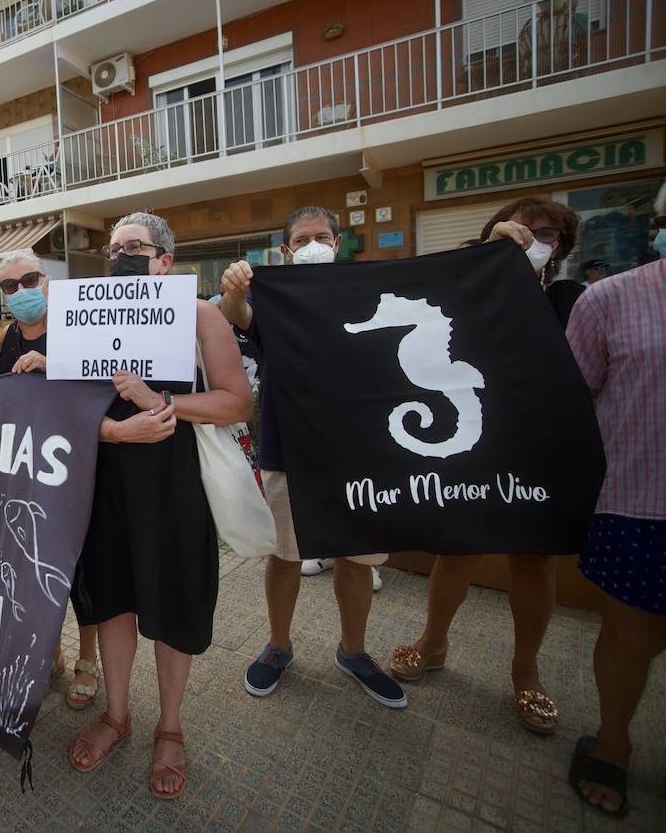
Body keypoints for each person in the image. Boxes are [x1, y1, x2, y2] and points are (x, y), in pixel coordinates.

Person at [69, 213, 253, 799]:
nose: (121, 256)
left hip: (176, 484)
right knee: (116, 595)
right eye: (113, 249)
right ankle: (118, 714)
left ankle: (169, 726)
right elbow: (72, 405)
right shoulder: (86, 316)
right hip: (107, 478)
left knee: (172, 599)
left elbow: (236, 402)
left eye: (135, 248)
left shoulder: (201, 315)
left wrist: (161, 401)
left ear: (165, 261)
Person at [389, 198, 583, 734]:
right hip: (476, 440)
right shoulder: (469, 285)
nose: (539, 241)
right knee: (458, 548)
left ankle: (526, 671)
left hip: (539, 445)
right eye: (527, 231)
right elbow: (435, 292)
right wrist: (490, 253)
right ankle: (433, 643)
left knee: (533, 560)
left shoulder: (572, 300)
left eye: (550, 234)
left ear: (563, 247)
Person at [219, 206, 407, 710]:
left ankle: (355, 652)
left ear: (339, 241)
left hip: (363, 449)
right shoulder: (272, 296)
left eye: (321, 236)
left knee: (357, 556)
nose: (312, 245)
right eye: (301, 240)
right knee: (284, 554)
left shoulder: (366, 287)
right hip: (290, 447)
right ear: (286, 251)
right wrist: (235, 288)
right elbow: (233, 316)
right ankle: (278, 646)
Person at [563, 237, 664, 817]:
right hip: (643, 500)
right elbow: (575, 396)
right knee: (633, 634)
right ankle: (614, 742)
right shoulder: (610, 300)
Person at [0, 249, 103, 708]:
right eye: (10, 286)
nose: (20, 291)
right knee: (37, 566)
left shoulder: (76, 328)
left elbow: (98, 386)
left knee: (83, 573)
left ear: (47, 282)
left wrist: (50, 363)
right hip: (26, 473)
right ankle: (51, 653)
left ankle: (88, 662)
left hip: (76, 468)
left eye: (28, 279)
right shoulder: (4, 339)